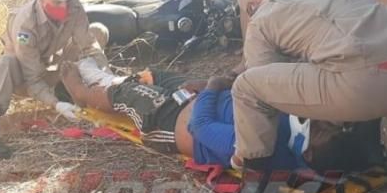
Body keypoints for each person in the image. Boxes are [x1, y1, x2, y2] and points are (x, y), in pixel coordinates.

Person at [230, 0, 387, 176]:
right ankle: (370, 156)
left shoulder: (262, 17)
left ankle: (253, 182)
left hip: (369, 87)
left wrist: (241, 154)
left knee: (245, 87)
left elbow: (263, 86)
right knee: (349, 56)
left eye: (249, 9)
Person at [57, 63, 360, 171]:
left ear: (307, 152)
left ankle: (81, 93)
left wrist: (212, 87)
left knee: (132, 94)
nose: (324, 124)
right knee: (156, 75)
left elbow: (199, 127)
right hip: (198, 100)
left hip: (167, 121)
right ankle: (107, 80)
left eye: (324, 132)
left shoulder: (256, 145)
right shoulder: (299, 133)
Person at [0, 0, 110, 160]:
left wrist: (106, 81)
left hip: (53, 65)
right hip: (24, 77)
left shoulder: (73, 6)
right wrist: (56, 105)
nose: (64, 8)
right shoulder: (25, 25)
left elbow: (89, 45)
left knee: (98, 31)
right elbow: (33, 80)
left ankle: (72, 89)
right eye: (57, 1)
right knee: (6, 62)